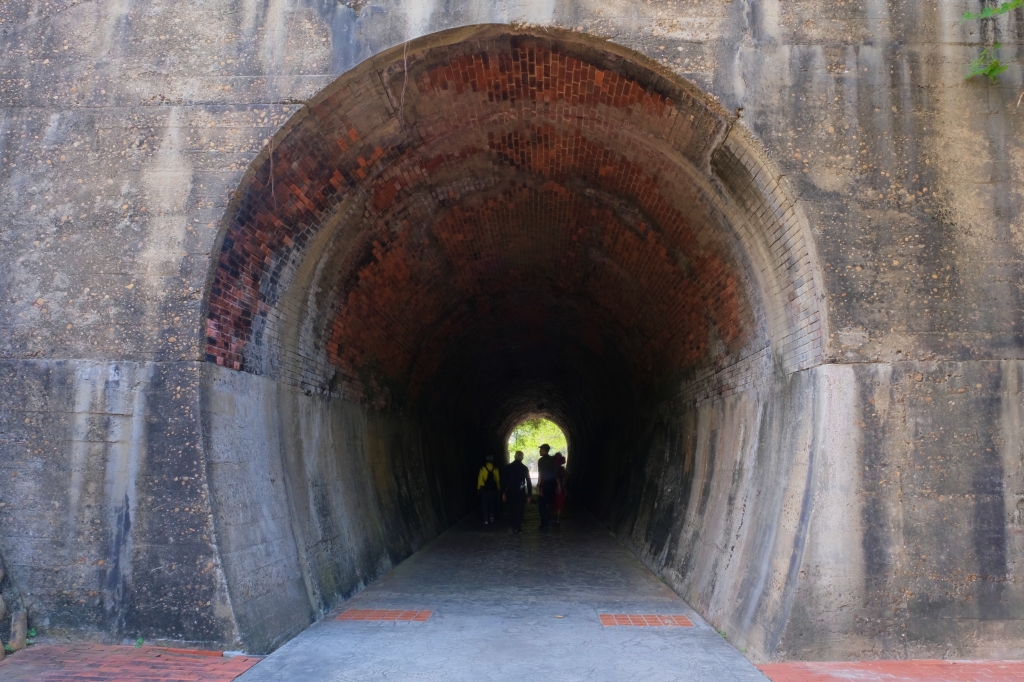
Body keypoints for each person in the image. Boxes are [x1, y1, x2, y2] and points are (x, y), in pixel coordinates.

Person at [503, 450, 533, 534]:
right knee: (519, 510)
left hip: (511, 491)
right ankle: (517, 527)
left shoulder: (508, 467)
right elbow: (528, 482)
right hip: (520, 492)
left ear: (514, 457)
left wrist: (504, 492)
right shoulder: (524, 468)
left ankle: (511, 526)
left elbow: (504, 481)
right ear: (522, 458)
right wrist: (529, 494)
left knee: (511, 509)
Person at [536, 444, 560, 530]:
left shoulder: (541, 461)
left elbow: (541, 474)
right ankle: (548, 519)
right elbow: (555, 474)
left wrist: (539, 486)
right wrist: (558, 486)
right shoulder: (553, 460)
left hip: (544, 484)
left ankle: (544, 523)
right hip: (552, 484)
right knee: (549, 503)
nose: (539, 451)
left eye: (541, 450)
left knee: (542, 504)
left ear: (544, 450)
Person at [477, 454, 501, 525]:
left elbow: (480, 479)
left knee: (485, 503)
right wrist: (499, 488)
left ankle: (486, 519)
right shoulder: (495, 468)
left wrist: (478, 488)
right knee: (492, 502)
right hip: (493, 489)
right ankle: (492, 516)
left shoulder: (482, 468)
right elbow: (497, 479)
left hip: (484, 489)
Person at [553, 452, 567, 526]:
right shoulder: (562, 470)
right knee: (559, 504)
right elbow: (565, 479)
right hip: (561, 489)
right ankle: (557, 518)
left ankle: (554, 516)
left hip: (553, 488)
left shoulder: (553, 469)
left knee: (554, 502)